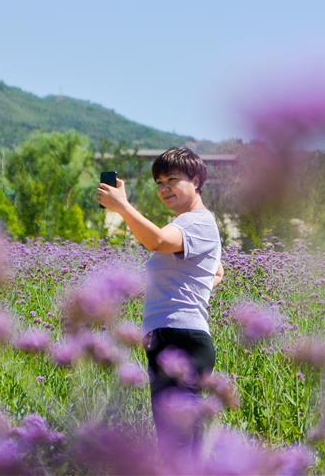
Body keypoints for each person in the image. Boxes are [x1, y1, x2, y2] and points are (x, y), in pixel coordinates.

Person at [96, 146, 223, 460]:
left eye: (172, 180)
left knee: (179, 445)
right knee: (174, 442)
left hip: (181, 339)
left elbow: (157, 241)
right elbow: (214, 272)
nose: (164, 188)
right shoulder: (185, 224)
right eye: (159, 183)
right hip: (168, 338)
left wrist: (123, 207)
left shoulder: (197, 222)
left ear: (195, 180)